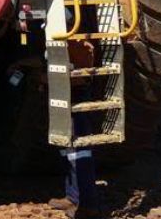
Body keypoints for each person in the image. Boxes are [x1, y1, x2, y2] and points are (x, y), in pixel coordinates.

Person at [48, 36, 102, 219]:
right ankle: (73, 196)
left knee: (79, 151)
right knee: (68, 148)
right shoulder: (70, 35)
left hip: (75, 90)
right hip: (67, 88)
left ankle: (88, 204)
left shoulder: (76, 41)